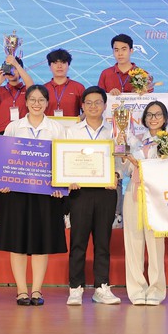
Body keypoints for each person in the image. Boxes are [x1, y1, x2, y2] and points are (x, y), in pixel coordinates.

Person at [0, 85, 67, 306]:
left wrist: (61, 185)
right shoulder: (14, 127)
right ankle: (21, 290)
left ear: (47, 103)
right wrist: (2, 183)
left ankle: (36, 290)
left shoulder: (56, 128)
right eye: (32, 99)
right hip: (17, 193)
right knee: (17, 241)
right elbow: (4, 160)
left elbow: (63, 159)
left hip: (46, 193)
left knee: (41, 241)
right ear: (26, 102)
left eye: (41, 100)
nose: (37, 104)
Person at [65, 86, 121, 305]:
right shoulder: (72, 132)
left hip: (106, 192)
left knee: (103, 242)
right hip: (80, 192)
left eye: (98, 102)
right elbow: (65, 158)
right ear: (82, 106)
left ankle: (101, 287)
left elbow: (122, 160)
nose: (93, 106)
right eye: (88, 102)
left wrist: (116, 174)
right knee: (78, 241)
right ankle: (75, 288)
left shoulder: (115, 131)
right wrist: (67, 178)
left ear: (105, 106)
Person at [122, 101, 168, 305]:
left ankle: (156, 289)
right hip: (134, 191)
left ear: (165, 118)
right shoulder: (135, 140)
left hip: (156, 195)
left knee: (156, 243)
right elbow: (126, 170)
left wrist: (143, 164)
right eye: (149, 114)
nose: (153, 118)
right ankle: (136, 289)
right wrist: (125, 156)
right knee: (133, 241)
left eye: (158, 114)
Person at [0, 55, 34, 134]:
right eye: (9, 68)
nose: (12, 70)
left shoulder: (26, 89)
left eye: (14, 68)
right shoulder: (0, 90)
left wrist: (16, 64)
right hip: (1, 132)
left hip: (22, 131)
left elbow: (32, 87)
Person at [43, 48, 85, 117]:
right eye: (55, 63)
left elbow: (86, 111)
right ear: (50, 66)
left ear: (68, 65)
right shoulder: (43, 89)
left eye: (63, 62)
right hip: (48, 124)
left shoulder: (79, 87)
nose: (59, 66)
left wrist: (80, 118)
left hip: (73, 123)